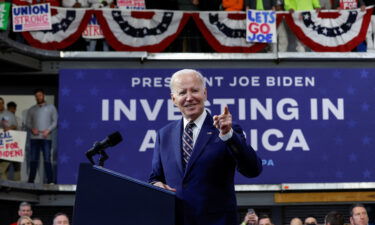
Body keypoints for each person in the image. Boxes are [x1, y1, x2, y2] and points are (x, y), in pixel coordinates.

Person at [149, 69, 263, 225]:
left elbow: (253, 169)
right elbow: (155, 178)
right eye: (182, 93)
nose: (189, 97)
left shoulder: (227, 129)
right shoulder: (164, 135)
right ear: (173, 99)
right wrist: (157, 185)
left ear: (205, 93)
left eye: (194, 90)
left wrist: (228, 136)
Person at [26, 89, 58, 184]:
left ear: (43, 96)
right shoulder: (32, 109)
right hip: (34, 138)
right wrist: (32, 129)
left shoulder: (51, 107)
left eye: (40, 95)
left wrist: (48, 130)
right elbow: (28, 122)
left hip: (46, 138)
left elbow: (55, 121)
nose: (38, 97)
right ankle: (31, 181)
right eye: (36, 96)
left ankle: (50, 181)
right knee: (33, 160)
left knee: (47, 159)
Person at [0, 97, 18, 181]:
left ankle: (16, 186)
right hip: (1, 144)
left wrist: (9, 128)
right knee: (2, 168)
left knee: (13, 166)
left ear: (3, 104)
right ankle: (6, 185)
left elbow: (15, 125)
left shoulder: (9, 114)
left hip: (9, 145)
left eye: (1, 103)